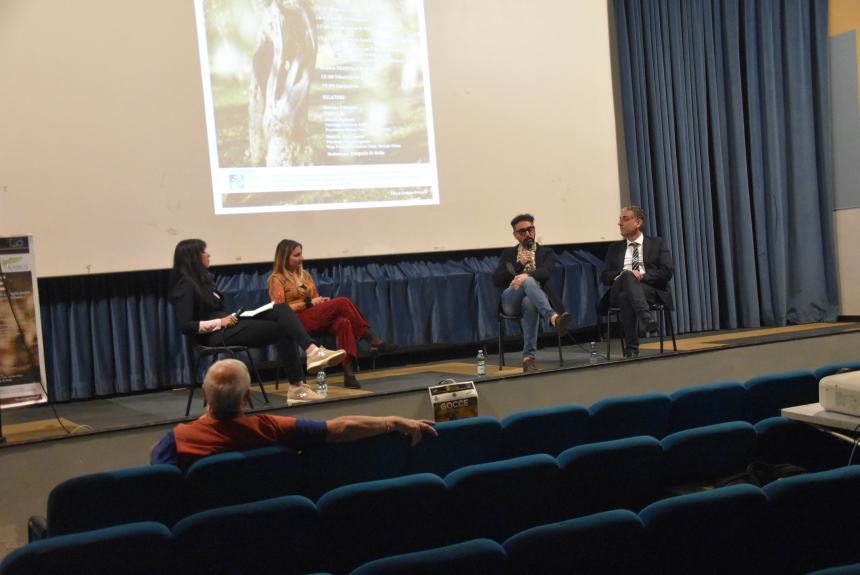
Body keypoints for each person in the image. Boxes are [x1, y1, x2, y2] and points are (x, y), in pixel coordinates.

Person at [150, 359, 437, 470]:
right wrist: (395, 422)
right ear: (247, 397)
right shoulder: (271, 427)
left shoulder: (176, 441)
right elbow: (341, 428)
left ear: (204, 395)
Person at [169, 239, 346, 402]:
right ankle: (297, 384)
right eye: (203, 252)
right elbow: (185, 326)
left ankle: (311, 353)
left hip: (230, 325)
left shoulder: (203, 282)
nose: (208, 255)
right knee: (283, 328)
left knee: (281, 308)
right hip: (214, 335)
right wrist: (220, 322)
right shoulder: (186, 285)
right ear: (193, 258)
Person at [267, 239, 396, 389]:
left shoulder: (305, 275)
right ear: (284, 258)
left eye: (301, 254)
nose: (301, 259)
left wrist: (320, 301)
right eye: (296, 255)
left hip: (313, 317)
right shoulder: (276, 279)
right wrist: (308, 303)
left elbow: (314, 297)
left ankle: (349, 375)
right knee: (342, 302)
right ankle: (372, 340)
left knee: (343, 323)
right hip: (296, 322)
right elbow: (279, 309)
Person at [492, 214, 571, 372]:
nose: (528, 234)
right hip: (511, 299)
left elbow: (547, 272)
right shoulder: (508, 254)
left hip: (534, 301)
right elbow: (497, 279)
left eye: (531, 229)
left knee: (529, 302)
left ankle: (528, 359)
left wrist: (527, 276)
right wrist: (519, 265)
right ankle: (553, 318)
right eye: (522, 231)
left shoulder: (546, 253)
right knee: (527, 282)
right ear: (515, 235)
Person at [599, 205, 674, 358]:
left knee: (626, 296)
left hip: (648, 290)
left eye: (625, 219)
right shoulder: (614, 248)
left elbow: (667, 272)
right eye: (619, 219)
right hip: (617, 288)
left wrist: (642, 276)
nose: (620, 223)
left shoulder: (657, 244)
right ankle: (646, 318)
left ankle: (631, 349)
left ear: (638, 223)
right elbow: (605, 276)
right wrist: (626, 274)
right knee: (627, 276)